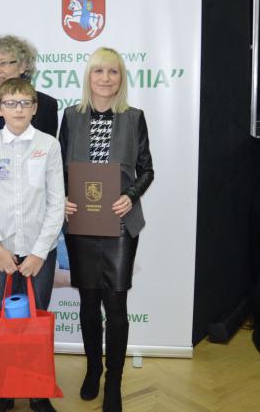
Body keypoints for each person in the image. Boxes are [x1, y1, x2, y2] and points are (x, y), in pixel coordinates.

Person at [61, 48, 154, 412]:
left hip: (119, 223)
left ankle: (114, 380)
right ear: (89, 76)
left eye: (112, 72)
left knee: (115, 303)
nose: (105, 78)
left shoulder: (134, 117)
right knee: (88, 302)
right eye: (98, 71)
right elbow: (59, 167)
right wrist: (62, 198)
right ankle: (93, 369)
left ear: (121, 78)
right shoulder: (71, 116)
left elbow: (147, 169)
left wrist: (131, 196)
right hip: (81, 222)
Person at [0, 78, 65, 412]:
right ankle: (5, 391)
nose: (18, 109)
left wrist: (40, 252)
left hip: (40, 251)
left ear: (35, 107)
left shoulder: (49, 146)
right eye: (10, 103)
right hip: (1, 252)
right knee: (5, 319)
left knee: (35, 320)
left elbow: (56, 203)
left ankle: (38, 393)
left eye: (25, 103)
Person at [0, 35, 58, 311]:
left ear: (23, 65)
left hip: (36, 227)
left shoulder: (45, 108)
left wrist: (40, 249)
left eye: (5, 63)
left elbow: (48, 180)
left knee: (36, 309)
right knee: (3, 305)